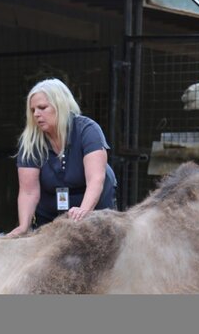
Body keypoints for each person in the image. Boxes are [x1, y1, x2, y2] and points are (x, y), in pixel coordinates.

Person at [7, 78, 117, 237]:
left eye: (42, 108)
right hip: (51, 215)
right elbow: (28, 191)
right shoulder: (31, 141)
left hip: (95, 210)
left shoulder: (87, 130)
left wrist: (83, 212)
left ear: (60, 106)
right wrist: (23, 227)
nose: (36, 114)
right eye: (33, 110)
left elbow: (96, 179)